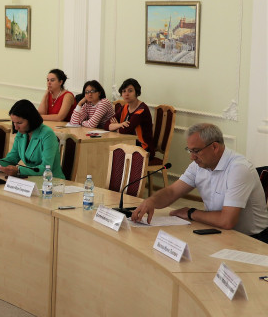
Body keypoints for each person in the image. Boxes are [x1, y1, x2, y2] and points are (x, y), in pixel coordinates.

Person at [131, 123, 268, 243]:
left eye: (196, 151)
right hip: (218, 231)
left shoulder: (239, 169)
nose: (192, 157)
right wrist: (151, 201)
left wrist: (190, 213)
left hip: (253, 240)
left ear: (214, 147)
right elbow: (172, 192)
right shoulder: (199, 165)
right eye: (189, 151)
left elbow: (227, 221)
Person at [0, 99, 64, 178]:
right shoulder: (21, 133)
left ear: (31, 120)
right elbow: (12, 159)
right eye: (14, 122)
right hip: (32, 179)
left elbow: (46, 168)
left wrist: (19, 170)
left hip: (51, 180)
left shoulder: (47, 134)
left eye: (19, 123)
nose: (16, 127)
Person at [105, 78, 153, 154]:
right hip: (129, 145)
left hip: (143, 149)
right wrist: (119, 125)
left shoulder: (142, 109)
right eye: (124, 91)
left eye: (130, 91)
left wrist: (115, 127)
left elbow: (125, 130)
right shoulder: (124, 107)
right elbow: (106, 125)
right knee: (107, 152)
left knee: (113, 155)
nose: (126, 94)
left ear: (137, 92)